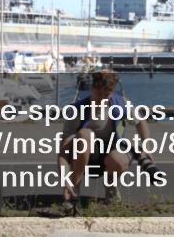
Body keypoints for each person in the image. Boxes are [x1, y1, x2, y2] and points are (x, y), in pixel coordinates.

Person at [56, 70, 155, 211]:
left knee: (119, 160)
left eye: (106, 95)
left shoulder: (121, 104)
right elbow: (63, 152)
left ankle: (111, 186)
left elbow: (140, 122)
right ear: (92, 89)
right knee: (85, 135)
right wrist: (65, 180)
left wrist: (146, 146)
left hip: (110, 154)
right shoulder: (76, 110)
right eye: (98, 94)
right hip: (82, 158)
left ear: (112, 92)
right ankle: (73, 188)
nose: (102, 99)